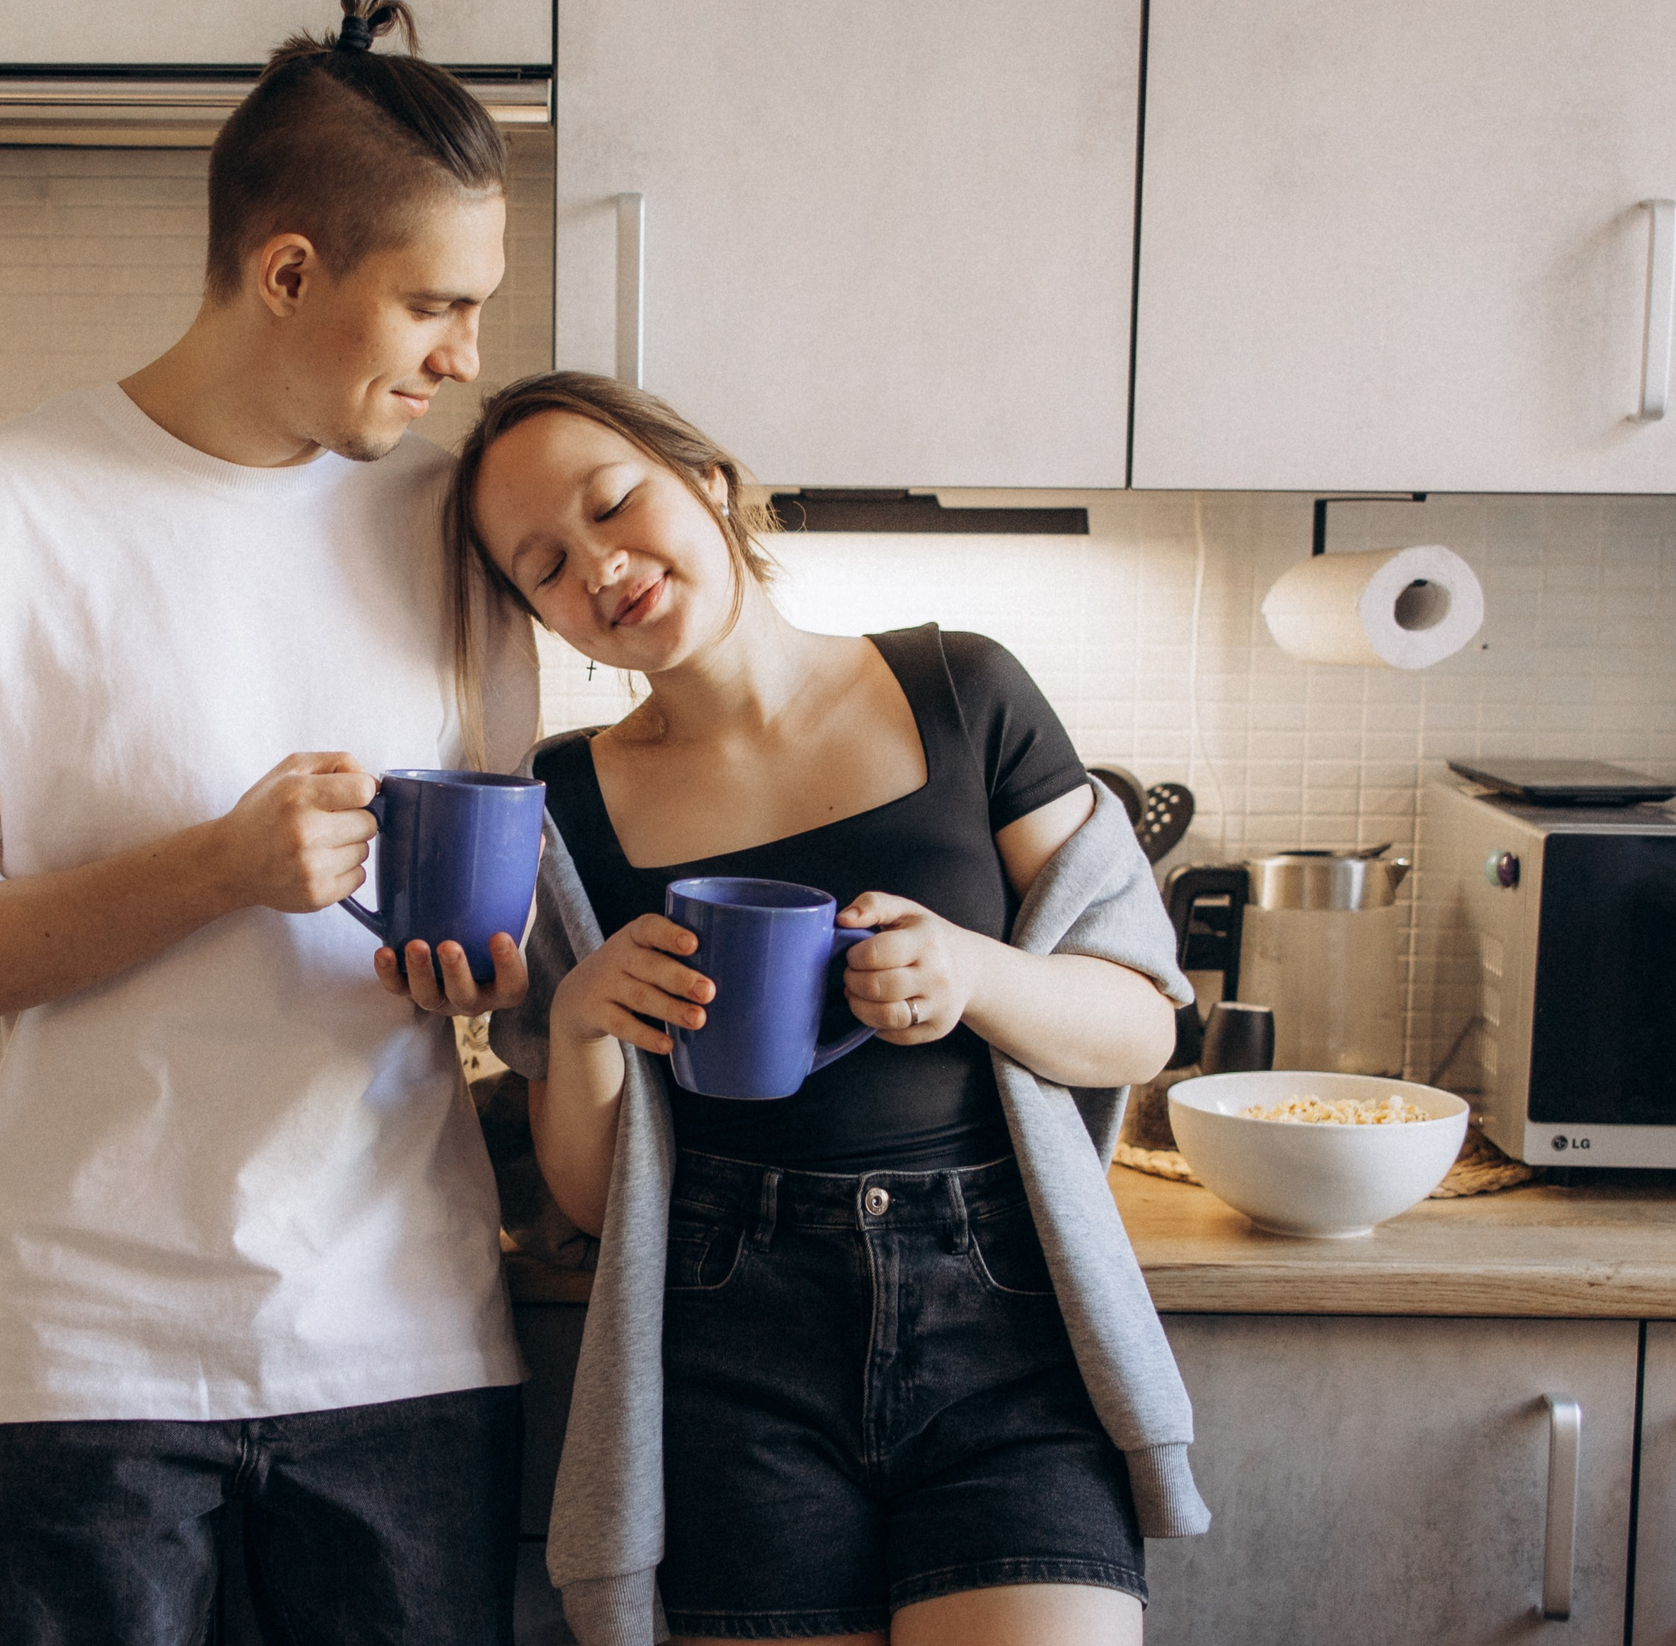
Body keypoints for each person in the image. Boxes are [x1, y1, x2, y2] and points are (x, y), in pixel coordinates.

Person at [0, 0, 539, 1646]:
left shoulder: (454, 524)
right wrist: (216, 867)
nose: (465, 356)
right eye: (433, 304)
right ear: (287, 272)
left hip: (406, 1336)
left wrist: (489, 975)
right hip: (82, 1360)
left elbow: (504, 901)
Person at [397, 371, 1211, 1646]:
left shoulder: (964, 691)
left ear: (707, 481)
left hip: (1005, 1331)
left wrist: (973, 974)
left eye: (613, 505)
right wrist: (585, 1023)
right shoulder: (561, 810)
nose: (599, 568)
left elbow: (1140, 1024)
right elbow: (596, 1203)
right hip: (732, 1349)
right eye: (545, 566)